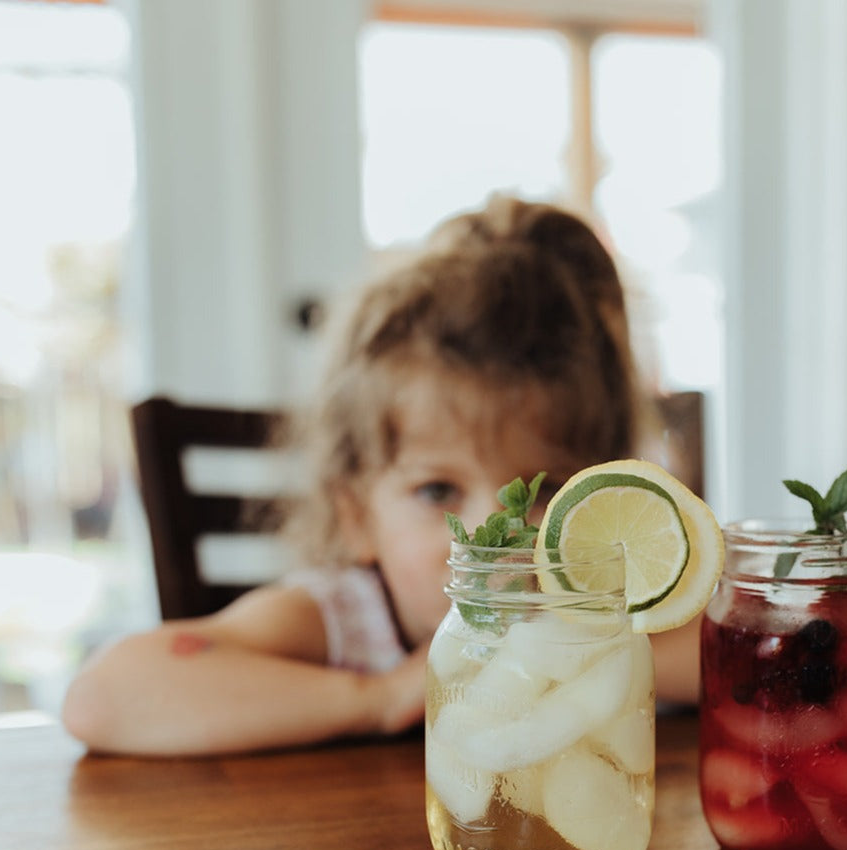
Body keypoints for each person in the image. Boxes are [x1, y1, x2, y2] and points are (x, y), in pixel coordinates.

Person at [61, 196, 702, 757]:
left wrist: (588, 655)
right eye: (436, 491)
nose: (496, 537)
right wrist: (381, 696)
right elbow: (104, 696)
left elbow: (745, 656)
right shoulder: (348, 622)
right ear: (356, 515)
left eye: (547, 489)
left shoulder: (610, 616)